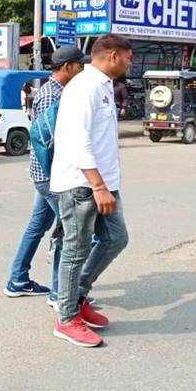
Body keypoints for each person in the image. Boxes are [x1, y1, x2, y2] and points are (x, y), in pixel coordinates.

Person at [51, 34, 133, 348]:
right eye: (128, 57)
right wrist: (97, 185)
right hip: (82, 185)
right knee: (75, 249)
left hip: (103, 185)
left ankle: (78, 295)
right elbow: (77, 140)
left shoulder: (101, 86)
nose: (129, 63)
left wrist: (106, 185)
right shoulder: (83, 88)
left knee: (116, 238)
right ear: (113, 55)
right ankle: (67, 318)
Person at [5, 46, 89, 301]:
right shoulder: (53, 95)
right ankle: (60, 292)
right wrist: (60, 178)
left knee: (37, 226)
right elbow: (45, 140)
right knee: (69, 230)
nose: (82, 69)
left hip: (43, 174)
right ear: (67, 67)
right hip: (51, 176)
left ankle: (18, 280)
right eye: (79, 65)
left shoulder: (56, 91)